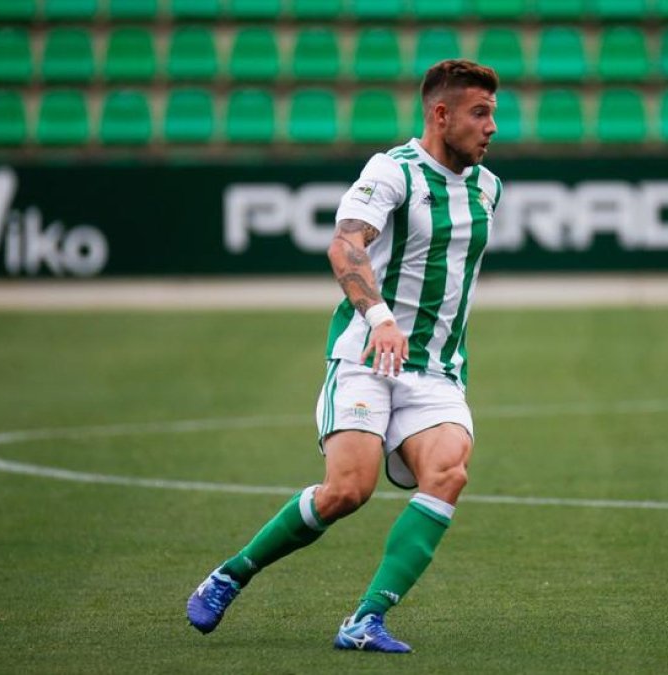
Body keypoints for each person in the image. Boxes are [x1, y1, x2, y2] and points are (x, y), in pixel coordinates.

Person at [186, 59, 502, 654]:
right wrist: (380, 318)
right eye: (479, 113)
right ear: (441, 114)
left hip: (435, 372)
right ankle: (232, 572)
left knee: (449, 472)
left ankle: (365, 620)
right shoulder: (392, 171)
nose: (491, 127)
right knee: (346, 492)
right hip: (367, 358)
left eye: (493, 114)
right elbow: (345, 243)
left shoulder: (489, 187)